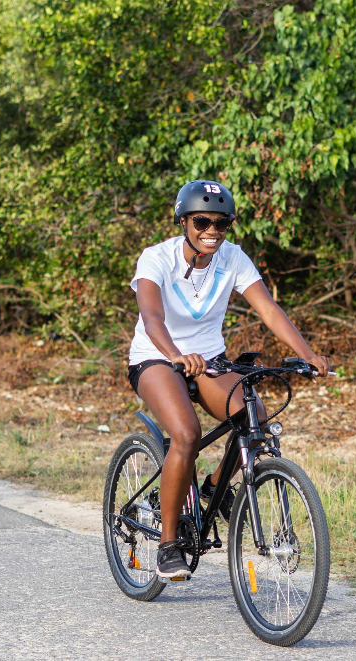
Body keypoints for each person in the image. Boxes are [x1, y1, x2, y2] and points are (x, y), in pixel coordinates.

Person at [127, 180, 331, 580]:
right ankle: (169, 544)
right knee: (186, 434)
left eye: (222, 224)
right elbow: (151, 317)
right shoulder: (157, 258)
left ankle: (211, 489)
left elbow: (268, 310)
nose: (212, 232)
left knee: (254, 419)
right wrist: (174, 354)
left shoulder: (232, 259)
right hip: (156, 357)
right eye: (202, 221)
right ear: (184, 220)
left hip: (209, 361)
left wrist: (308, 354)